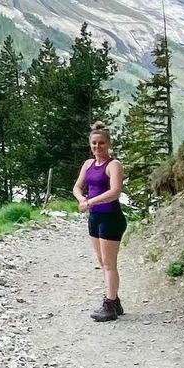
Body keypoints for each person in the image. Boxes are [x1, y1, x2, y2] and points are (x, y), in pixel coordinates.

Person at [73, 121, 127, 322]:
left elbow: (114, 192)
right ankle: (114, 301)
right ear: (90, 144)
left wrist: (90, 201)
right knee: (102, 262)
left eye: (102, 143)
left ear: (108, 144)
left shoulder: (114, 165)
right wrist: (81, 199)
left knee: (109, 263)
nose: (98, 147)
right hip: (95, 217)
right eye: (94, 143)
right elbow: (77, 187)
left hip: (111, 217)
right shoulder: (88, 164)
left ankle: (110, 304)